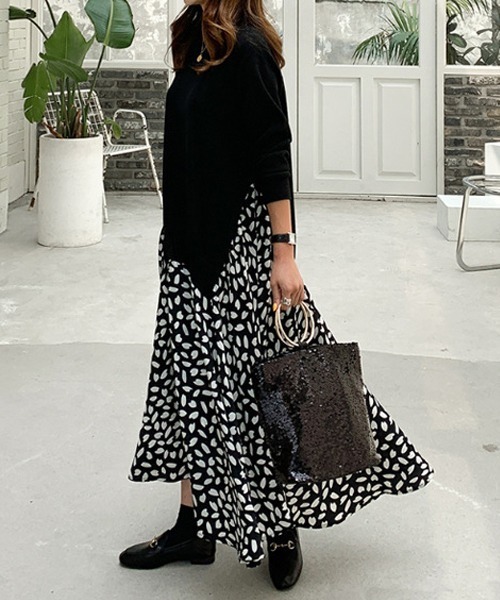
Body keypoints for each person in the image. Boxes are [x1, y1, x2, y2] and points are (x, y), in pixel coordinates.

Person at [119, 0, 434, 591]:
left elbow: (271, 149)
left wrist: (283, 251)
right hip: (187, 249)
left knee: (263, 384)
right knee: (192, 385)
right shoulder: (195, 39)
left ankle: (284, 528)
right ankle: (193, 525)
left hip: (237, 248)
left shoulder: (249, 48)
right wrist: (173, 245)